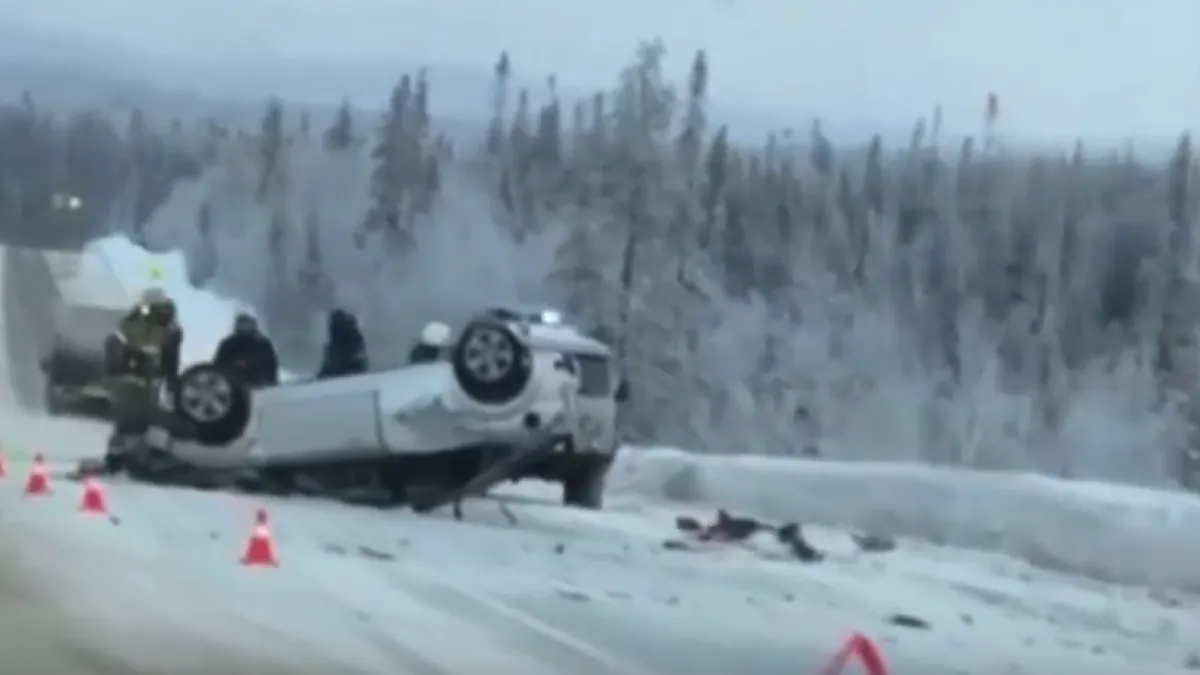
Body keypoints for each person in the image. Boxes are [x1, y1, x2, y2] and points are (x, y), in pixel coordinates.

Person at [214, 313, 280, 388]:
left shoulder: (262, 344)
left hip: (260, 384)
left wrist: (271, 382)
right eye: (242, 325)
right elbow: (218, 366)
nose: (245, 328)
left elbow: (271, 364)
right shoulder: (228, 344)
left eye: (246, 325)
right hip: (233, 385)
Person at [317, 308, 368, 378]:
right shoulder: (336, 336)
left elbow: (358, 354)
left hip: (351, 366)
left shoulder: (352, 335)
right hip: (343, 366)